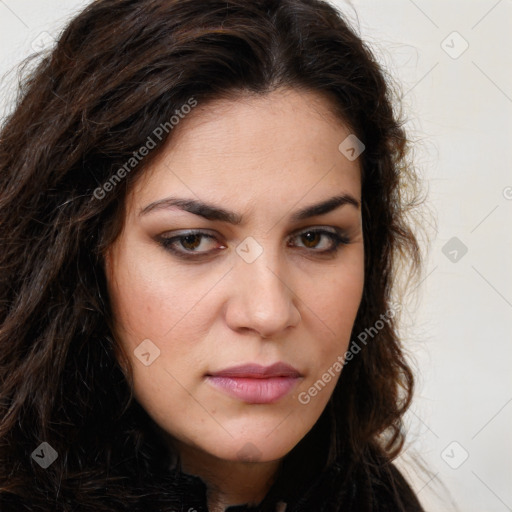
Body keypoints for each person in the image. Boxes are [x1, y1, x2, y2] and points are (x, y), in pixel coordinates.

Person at [0, 0, 428, 510]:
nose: (268, 312)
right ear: (76, 260)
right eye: (192, 240)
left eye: (315, 238)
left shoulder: (374, 497)